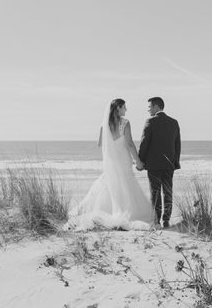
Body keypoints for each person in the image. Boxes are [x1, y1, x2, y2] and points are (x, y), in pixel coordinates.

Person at [65, 99, 154, 230]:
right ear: (118, 108)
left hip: (112, 162)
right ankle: (124, 214)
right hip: (123, 160)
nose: (126, 110)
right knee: (126, 185)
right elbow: (129, 144)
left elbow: (100, 144)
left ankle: (108, 212)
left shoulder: (104, 125)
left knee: (111, 185)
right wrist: (139, 161)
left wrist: (112, 145)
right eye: (124, 107)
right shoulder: (125, 123)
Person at [138, 97, 181, 228]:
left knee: (155, 192)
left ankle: (156, 221)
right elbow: (177, 145)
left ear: (156, 107)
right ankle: (166, 220)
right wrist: (175, 162)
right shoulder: (174, 122)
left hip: (153, 165)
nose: (148, 109)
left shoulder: (150, 121)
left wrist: (140, 161)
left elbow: (144, 144)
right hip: (169, 165)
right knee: (167, 192)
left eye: (150, 107)